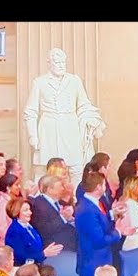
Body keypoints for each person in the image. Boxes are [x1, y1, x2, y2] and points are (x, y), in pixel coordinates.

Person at [23, 48, 106, 189]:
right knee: (44, 169)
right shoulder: (40, 82)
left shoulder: (74, 81)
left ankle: (75, 198)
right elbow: (30, 111)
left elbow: (83, 104)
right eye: (57, 62)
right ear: (49, 64)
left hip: (70, 127)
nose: (61, 65)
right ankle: (41, 198)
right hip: (48, 129)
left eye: (63, 62)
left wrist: (90, 118)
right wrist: (33, 136)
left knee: (76, 168)